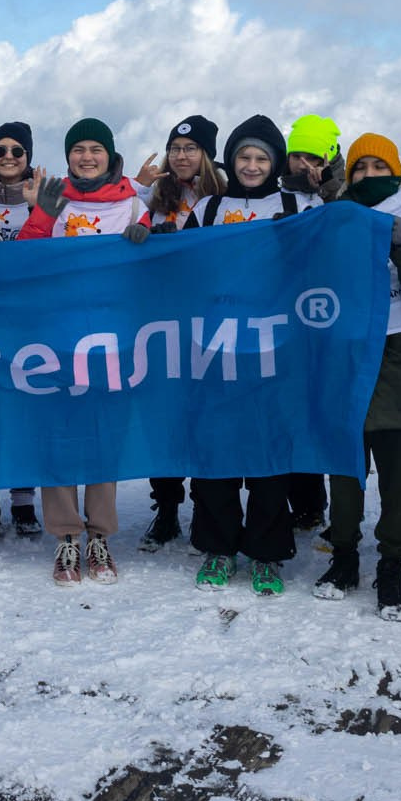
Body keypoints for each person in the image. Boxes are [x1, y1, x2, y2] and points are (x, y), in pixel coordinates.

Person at [312, 133, 401, 620]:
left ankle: (392, 561)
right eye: (360, 168)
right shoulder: (337, 214)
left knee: (398, 470)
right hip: (347, 351)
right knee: (346, 467)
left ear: (394, 169)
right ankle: (345, 556)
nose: (369, 175)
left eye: (378, 166)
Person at [16, 116, 153, 588]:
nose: (87, 157)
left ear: (111, 156)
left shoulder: (134, 204)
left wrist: (147, 241)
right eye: (79, 149)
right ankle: (66, 535)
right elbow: (21, 264)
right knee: (59, 436)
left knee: (103, 439)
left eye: (96, 148)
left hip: (113, 342)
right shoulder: (55, 200)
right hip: (56, 341)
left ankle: (100, 535)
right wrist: (42, 216)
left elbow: (161, 268)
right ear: (68, 155)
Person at [180, 116, 311, 593]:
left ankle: (266, 552)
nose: (252, 165)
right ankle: (218, 547)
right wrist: (145, 239)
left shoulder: (296, 203)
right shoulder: (210, 207)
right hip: (214, 347)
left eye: (261, 157)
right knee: (215, 451)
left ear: (274, 162)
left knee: (270, 454)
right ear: (231, 161)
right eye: (243, 157)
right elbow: (180, 262)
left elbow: (324, 258)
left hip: (275, 347)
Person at [136, 113, 222, 552]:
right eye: (175, 148)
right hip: (161, 318)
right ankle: (167, 507)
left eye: (190, 148)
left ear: (206, 154)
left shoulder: (223, 194)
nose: (182, 155)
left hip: (208, 321)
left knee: (204, 416)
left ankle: (208, 507)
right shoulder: (157, 194)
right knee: (164, 415)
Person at [281, 113, 345, 533]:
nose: (303, 164)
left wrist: (331, 191)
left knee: (320, 414)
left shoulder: (343, 193)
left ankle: (320, 504)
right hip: (285, 319)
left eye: (312, 156)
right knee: (288, 411)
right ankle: (301, 501)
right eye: (296, 156)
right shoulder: (278, 193)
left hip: (328, 320)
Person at [0, 118, 40, 537]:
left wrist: (39, 209)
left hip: (31, 321)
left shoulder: (46, 199)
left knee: (26, 410)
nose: (9, 158)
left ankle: (23, 500)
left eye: (18, 151)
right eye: (1, 151)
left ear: (29, 158)